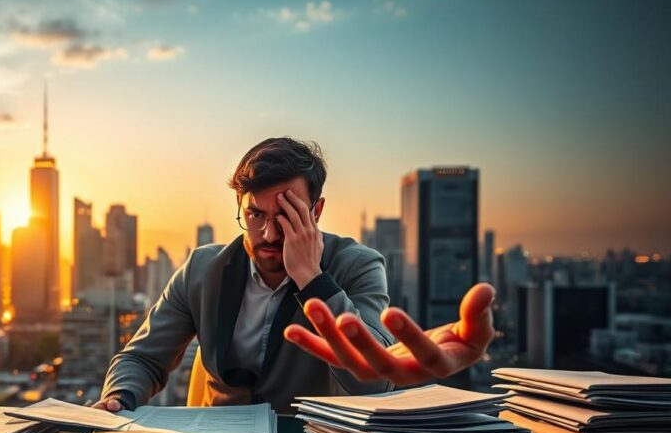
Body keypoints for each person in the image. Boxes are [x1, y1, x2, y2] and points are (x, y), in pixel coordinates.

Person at [95, 137, 495, 413]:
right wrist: (119, 398)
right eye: (255, 215)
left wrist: (313, 280)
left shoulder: (359, 265)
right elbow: (144, 358)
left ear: (315, 212)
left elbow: (372, 384)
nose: (269, 235)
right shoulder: (202, 269)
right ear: (240, 206)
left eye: (286, 216)